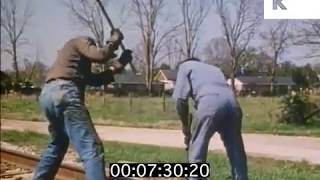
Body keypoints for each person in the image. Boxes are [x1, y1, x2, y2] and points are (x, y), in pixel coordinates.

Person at [33, 29, 132, 180]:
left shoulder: (72, 63)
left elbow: (94, 80)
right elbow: (100, 55)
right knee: (91, 148)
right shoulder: (81, 41)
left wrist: (119, 64)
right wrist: (115, 40)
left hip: (48, 96)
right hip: (64, 93)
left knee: (57, 144)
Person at [172, 58, 248, 180]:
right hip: (232, 103)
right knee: (235, 149)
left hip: (209, 102)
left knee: (198, 147)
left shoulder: (185, 67)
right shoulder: (214, 69)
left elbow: (180, 100)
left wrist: (185, 125)